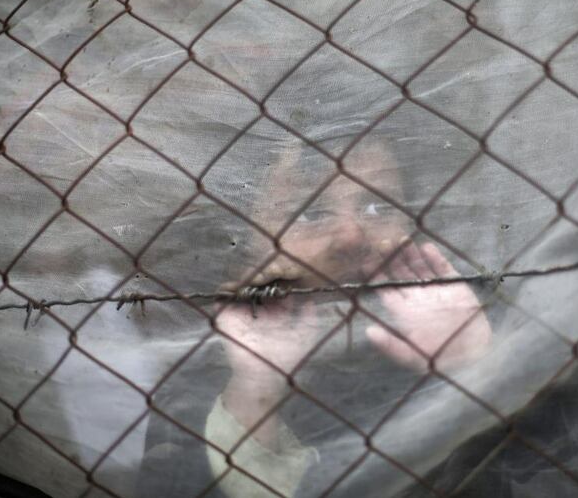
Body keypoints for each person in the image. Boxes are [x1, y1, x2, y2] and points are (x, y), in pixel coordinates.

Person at [138, 135, 494, 498]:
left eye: (377, 207)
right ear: (247, 236)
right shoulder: (202, 382)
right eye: (311, 213)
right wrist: (254, 395)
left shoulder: (477, 328)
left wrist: (470, 367)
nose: (352, 238)